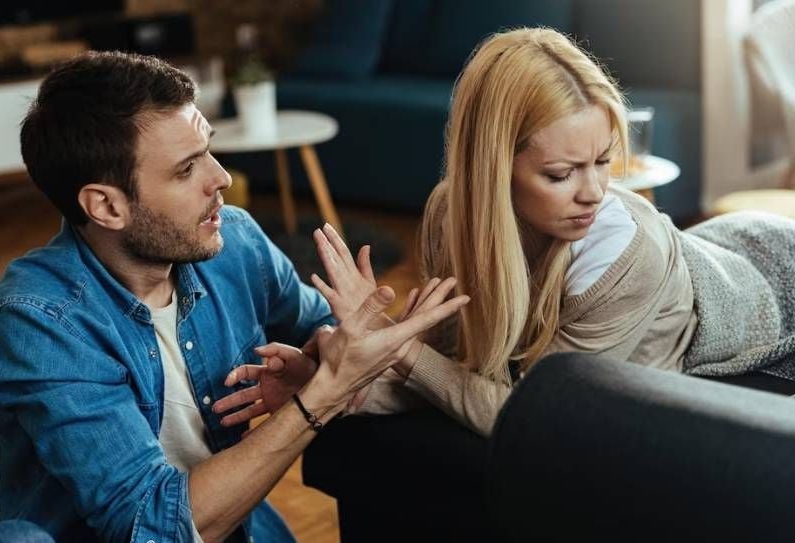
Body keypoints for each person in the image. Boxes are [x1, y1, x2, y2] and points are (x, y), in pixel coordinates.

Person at [0, 51, 469, 542]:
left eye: (207, 149)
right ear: (106, 205)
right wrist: (324, 392)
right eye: (186, 170)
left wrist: (341, 347)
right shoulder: (39, 320)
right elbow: (151, 524)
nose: (221, 178)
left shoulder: (236, 242)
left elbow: (326, 335)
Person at [217, 28, 795, 438]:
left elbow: (534, 416)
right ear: (494, 170)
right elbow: (461, 367)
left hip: (769, 283)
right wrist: (325, 384)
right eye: (562, 174)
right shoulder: (451, 214)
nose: (594, 191)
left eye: (603, 162)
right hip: (722, 246)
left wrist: (399, 346)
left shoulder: (621, 253)